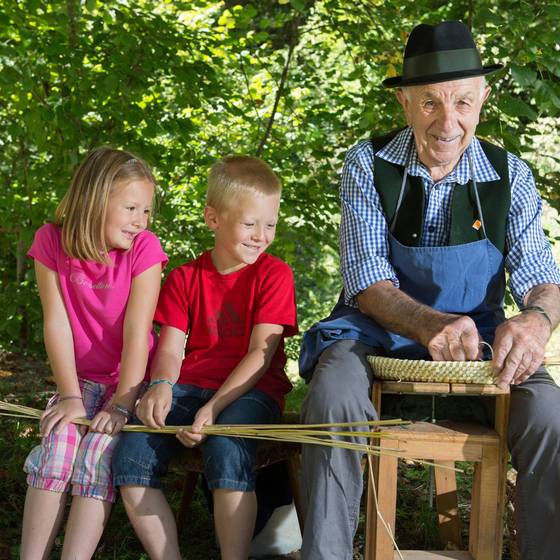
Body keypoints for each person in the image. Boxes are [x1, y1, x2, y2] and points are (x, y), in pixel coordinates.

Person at [299, 20, 560, 560]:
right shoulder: (367, 164)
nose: (449, 122)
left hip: (479, 345)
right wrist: (429, 323)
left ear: (483, 98)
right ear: (403, 101)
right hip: (375, 335)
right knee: (332, 393)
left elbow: (542, 277)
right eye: (430, 104)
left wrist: (535, 320)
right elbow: (366, 280)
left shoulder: (510, 175)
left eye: (463, 102)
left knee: (551, 417)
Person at [112, 155, 298, 560]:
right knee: (132, 455)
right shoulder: (183, 278)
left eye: (270, 224)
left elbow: (259, 356)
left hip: (251, 392)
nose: (261, 235)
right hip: (189, 387)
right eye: (250, 224)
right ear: (213, 219)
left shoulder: (274, 274)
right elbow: (171, 349)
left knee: (226, 443)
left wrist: (214, 408)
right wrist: (160, 385)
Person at [20, 147, 168, 559]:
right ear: (96, 199)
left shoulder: (144, 249)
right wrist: (68, 396)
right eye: (131, 208)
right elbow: (57, 323)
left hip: (128, 382)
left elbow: (139, 333)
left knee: (97, 454)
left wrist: (122, 405)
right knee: (57, 445)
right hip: (80, 381)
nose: (141, 221)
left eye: (147, 211)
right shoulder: (51, 241)